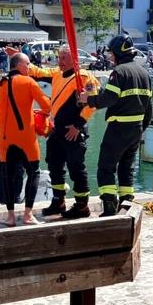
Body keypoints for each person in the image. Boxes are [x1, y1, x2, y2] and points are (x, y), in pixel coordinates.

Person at [79, 34, 153, 216]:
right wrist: (142, 128)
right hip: (136, 128)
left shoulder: (119, 72)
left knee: (106, 166)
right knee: (127, 168)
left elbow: (109, 98)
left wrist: (88, 99)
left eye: (112, 54)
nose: (110, 57)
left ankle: (109, 206)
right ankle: (126, 205)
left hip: (118, 127)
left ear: (119, 53)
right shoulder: (144, 73)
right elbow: (149, 106)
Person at [29, 45, 100, 218]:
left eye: (64, 58)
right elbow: (37, 72)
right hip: (57, 130)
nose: (60, 61)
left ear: (74, 59)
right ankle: (58, 201)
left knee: (76, 167)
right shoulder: (56, 73)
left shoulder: (84, 77)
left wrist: (78, 125)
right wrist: (20, 59)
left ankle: (82, 206)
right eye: (59, 57)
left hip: (73, 130)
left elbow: (93, 103)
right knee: (54, 165)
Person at [0, 53, 51, 226]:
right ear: (18, 65)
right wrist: (39, 115)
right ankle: (28, 214)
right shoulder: (29, 82)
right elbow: (47, 106)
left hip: (5, 139)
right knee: (34, 172)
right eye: (27, 64)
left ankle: (10, 217)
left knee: (7, 175)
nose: (29, 67)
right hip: (26, 137)